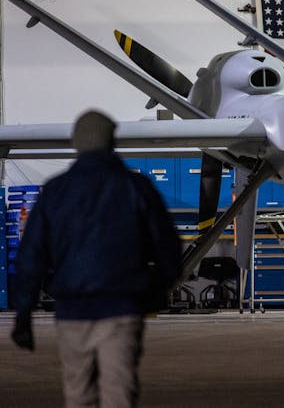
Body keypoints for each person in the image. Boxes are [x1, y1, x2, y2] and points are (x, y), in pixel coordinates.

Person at [11, 109, 182, 408]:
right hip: (122, 309)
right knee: (119, 393)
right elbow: (167, 246)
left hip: (71, 312)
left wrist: (23, 315)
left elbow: (31, 255)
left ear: (77, 143)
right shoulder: (136, 187)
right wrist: (158, 291)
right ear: (111, 142)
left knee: (78, 394)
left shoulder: (55, 190)